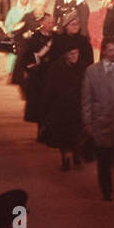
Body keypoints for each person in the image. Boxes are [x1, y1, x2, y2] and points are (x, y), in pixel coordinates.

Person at [82, 42, 114, 200]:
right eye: (111, 50)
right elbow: (86, 99)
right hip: (99, 123)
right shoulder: (91, 71)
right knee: (103, 162)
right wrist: (87, 122)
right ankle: (106, 191)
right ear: (103, 51)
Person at [41, 43, 86, 171]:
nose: (74, 56)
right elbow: (50, 89)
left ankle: (76, 154)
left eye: (76, 53)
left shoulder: (83, 67)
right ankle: (65, 158)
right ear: (65, 55)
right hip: (61, 108)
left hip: (77, 106)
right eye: (71, 54)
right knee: (63, 135)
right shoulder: (57, 68)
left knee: (77, 133)